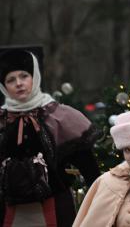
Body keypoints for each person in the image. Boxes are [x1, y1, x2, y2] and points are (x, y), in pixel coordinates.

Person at [0, 48, 101, 227]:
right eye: (10, 80)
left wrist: (100, 206)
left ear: (35, 77)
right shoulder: (2, 121)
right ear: (3, 86)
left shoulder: (59, 117)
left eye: (24, 76)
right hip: (9, 212)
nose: (19, 83)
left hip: (55, 209)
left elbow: (90, 171)